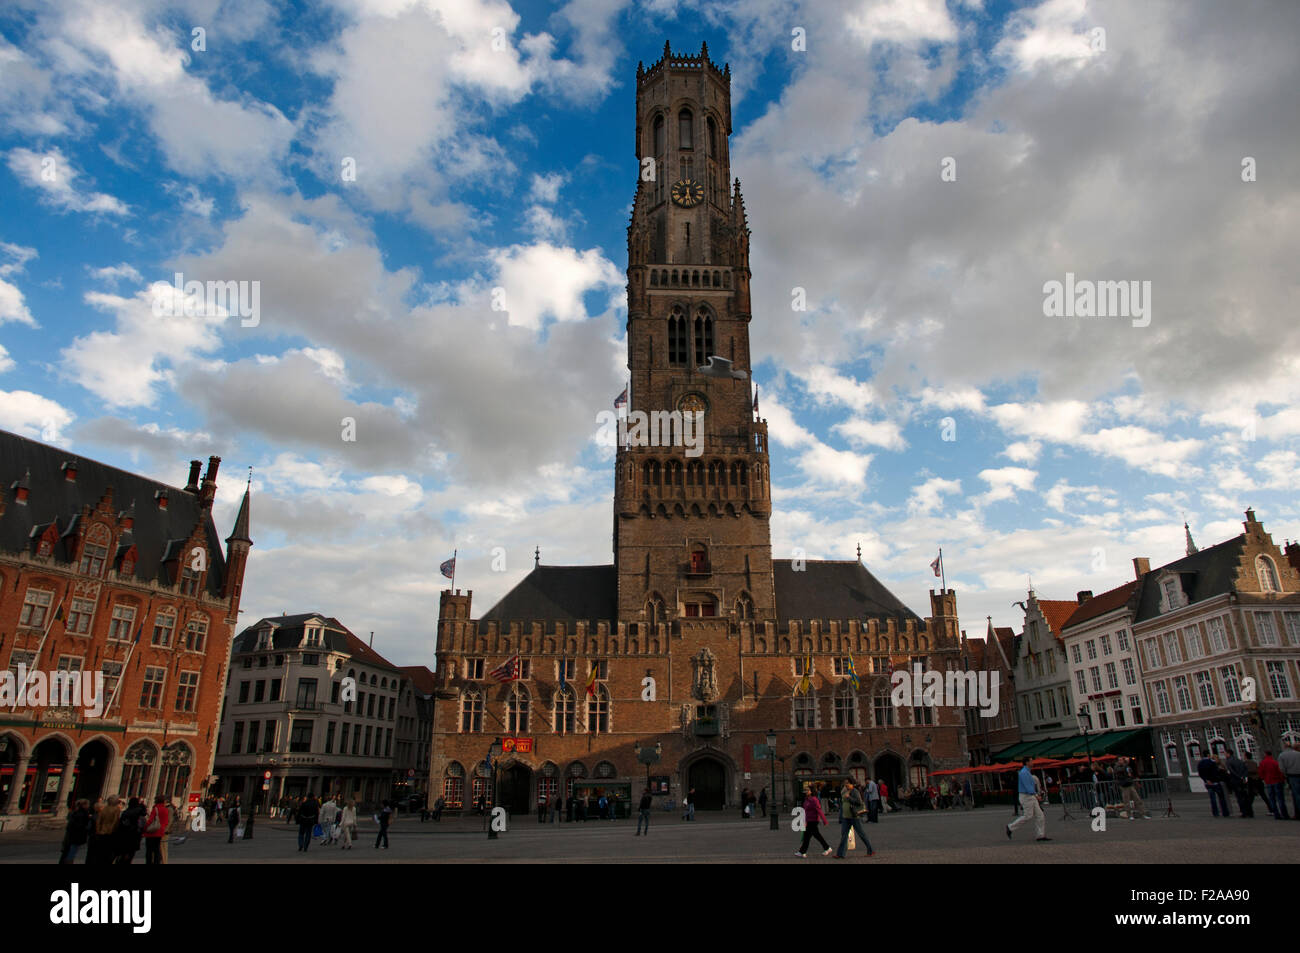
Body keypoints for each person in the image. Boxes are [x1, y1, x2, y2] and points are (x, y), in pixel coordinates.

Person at [1006, 757, 1049, 841]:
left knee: (1039, 815)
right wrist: (1036, 795)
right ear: (1027, 762)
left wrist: (1035, 795)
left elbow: (1030, 786)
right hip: (1026, 796)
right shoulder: (1024, 772)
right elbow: (1028, 786)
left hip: (1029, 796)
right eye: (1031, 761)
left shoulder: (1026, 772)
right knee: (1028, 816)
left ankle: (1040, 835)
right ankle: (1010, 827)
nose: (1033, 762)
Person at [833, 780, 874, 859]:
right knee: (844, 835)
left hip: (854, 816)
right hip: (846, 816)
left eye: (848, 783)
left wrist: (849, 798)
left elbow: (859, 802)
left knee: (861, 834)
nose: (846, 785)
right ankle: (840, 853)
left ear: (852, 784)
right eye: (845, 783)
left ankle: (870, 850)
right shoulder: (844, 791)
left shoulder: (855, 791)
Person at [795, 783, 833, 857]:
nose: (806, 791)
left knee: (811, 836)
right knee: (810, 836)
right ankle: (802, 852)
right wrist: (804, 820)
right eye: (805, 790)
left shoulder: (814, 800)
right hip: (809, 820)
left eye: (807, 790)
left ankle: (827, 848)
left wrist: (824, 820)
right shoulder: (806, 800)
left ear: (811, 791)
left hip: (814, 820)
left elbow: (819, 810)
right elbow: (805, 811)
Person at [89, 797, 121, 865]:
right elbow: (115, 823)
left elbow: (98, 822)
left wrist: (98, 831)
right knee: (107, 856)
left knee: (98, 856)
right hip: (110, 835)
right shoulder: (116, 811)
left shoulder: (103, 810)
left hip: (100, 834)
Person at [59, 799, 92, 864]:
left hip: (71, 836)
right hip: (76, 836)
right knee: (71, 853)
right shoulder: (82, 814)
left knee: (69, 851)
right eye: (87, 805)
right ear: (84, 805)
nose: (88, 806)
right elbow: (81, 826)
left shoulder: (75, 812)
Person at [114, 797, 145, 864]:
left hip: (124, 837)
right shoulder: (140, 813)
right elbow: (141, 826)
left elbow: (121, 825)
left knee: (122, 856)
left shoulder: (126, 812)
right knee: (129, 856)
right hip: (134, 837)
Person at [1259, 750, 1289, 819]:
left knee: (1272, 799)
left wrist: (1264, 778)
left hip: (1268, 782)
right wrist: (1282, 780)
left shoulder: (1262, 763)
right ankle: (1284, 814)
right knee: (1280, 799)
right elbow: (1280, 772)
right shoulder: (1275, 762)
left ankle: (1276, 814)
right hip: (1277, 781)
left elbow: (1261, 773)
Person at [143, 796, 170, 865]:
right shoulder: (165, 809)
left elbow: (150, 820)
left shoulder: (156, 808)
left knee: (149, 850)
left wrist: (145, 828)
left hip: (152, 832)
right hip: (160, 832)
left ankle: (149, 862)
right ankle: (156, 862)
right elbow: (166, 821)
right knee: (156, 850)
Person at [1225, 751, 1253, 817]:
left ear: (1229, 754)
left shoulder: (1228, 761)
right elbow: (1245, 769)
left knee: (1239, 797)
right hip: (1242, 780)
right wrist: (1243, 777)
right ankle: (1250, 811)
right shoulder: (1239, 760)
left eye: (1226, 753)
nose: (1225, 755)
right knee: (1245, 796)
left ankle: (1244, 812)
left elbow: (1231, 771)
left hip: (1235, 780)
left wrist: (1238, 777)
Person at [1279, 741, 1300, 819]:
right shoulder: (1298, 754)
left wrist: (1285, 776)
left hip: (1292, 776)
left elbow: (1282, 769)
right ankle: (1297, 813)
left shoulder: (1282, 755)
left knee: (1296, 795)